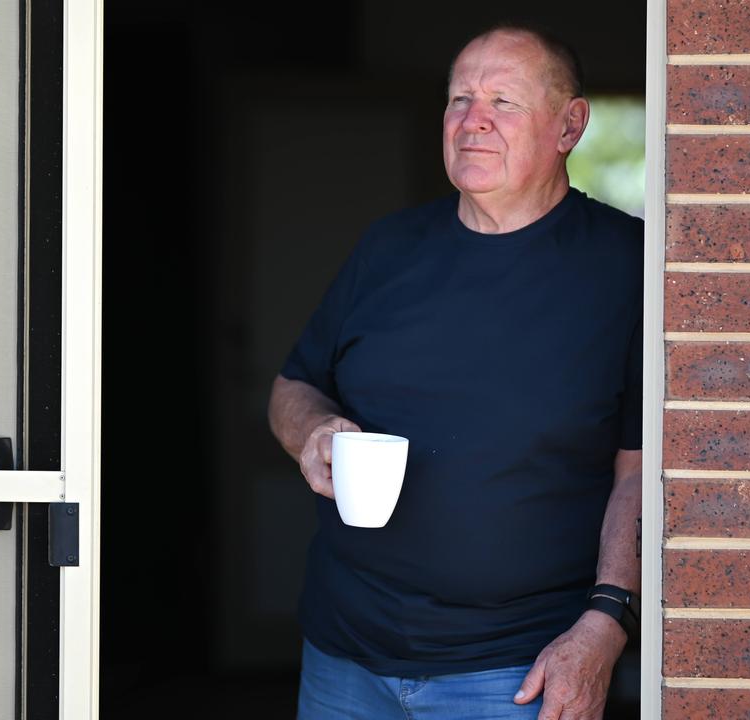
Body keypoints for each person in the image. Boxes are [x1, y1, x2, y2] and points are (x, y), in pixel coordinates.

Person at [268, 23, 643, 720]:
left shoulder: (629, 267)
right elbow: (293, 384)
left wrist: (606, 624)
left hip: (517, 671)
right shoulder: (388, 249)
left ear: (570, 124)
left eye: (504, 102)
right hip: (344, 659)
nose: (473, 121)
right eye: (459, 98)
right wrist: (312, 430)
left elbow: (641, 469)